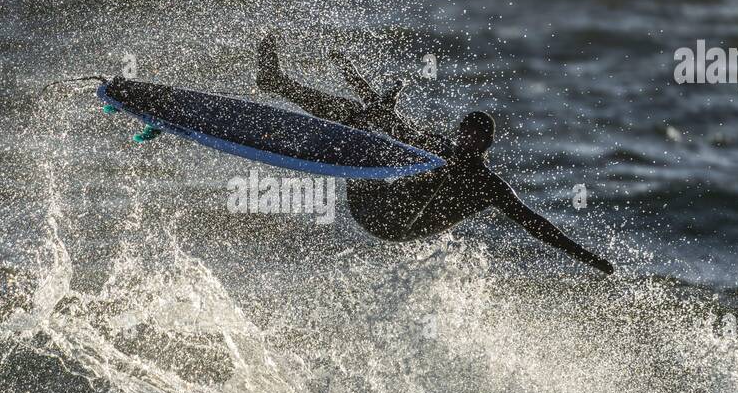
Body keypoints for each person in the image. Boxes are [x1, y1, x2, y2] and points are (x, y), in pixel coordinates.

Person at [256, 34, 615, 274]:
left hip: (395, 224)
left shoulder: (487, 185)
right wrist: (353, 76)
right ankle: (277, 83)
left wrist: (589, 259)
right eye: (465, 133)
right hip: (373, 205)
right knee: (361, 117)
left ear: (486, 145)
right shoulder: (439, 147)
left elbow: (535, 223)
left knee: (365, 122)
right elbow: (389, 123)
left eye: (476, 138)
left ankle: (288, 89)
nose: (467, 140)